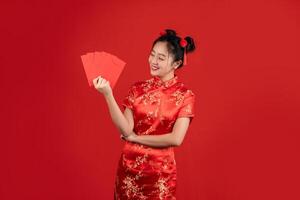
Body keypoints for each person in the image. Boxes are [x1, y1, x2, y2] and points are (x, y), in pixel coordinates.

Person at [93, 29, 196, 199]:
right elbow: (126, 130)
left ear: (176, 64)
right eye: (152, 54)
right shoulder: (137, 88)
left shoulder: (185, 95)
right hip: (128, 171)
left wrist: (135, 139)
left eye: (161, 58)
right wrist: (108, 94)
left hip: (160, 176)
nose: (153, 61)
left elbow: (176, 139)